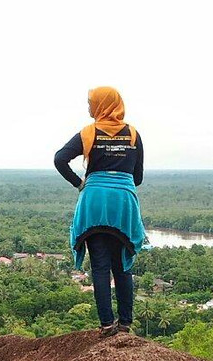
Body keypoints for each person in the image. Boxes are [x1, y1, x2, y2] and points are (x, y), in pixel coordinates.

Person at [54, 86, 147, 337]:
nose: (88, 107)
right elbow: (137, 177)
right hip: (123, 205)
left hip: (94, 202)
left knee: (100, 267)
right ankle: (125, 324)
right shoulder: (133, 134)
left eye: (90, 103)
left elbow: (60, 159)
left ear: (100, 104)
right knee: (122, 266)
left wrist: (80, 183)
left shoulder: (89, 133)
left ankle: (107, 325)